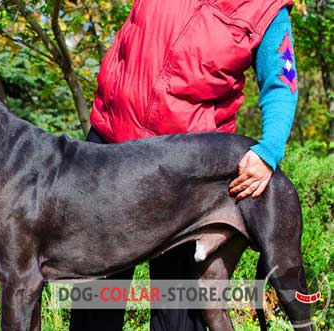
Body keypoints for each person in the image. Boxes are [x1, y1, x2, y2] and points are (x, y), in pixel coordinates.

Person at [70, 0, 299, 330]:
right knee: (96, 295)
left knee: (176, 305)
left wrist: (268, 153)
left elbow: (282, 82)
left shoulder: (266, 9)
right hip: (110, 150)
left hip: (185, 174)